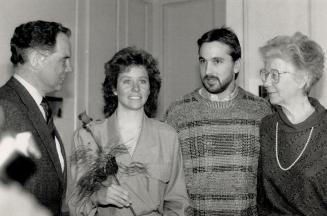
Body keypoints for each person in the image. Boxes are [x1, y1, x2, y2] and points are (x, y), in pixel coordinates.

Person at [69, 46, 190, 216]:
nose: (136, 88)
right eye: (127, 81)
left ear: (150, 88)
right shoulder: (88, 137)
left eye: (142, 81)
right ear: (114, 88)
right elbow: (75, 204)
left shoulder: (168, 137)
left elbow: (178, 204)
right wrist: (97, 197)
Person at [164, 27, 272, 215]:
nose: (208, 70)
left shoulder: (261, 111)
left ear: (236, 65)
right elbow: (166, 180)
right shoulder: (178, 112)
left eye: (217, 61)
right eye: (203, 61)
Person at [0, 20, 72, 215]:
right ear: (37, 59)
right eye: (64, 60)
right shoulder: (6, 108)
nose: (69, 68)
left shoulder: (38, 106)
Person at [257, 32, 327, 215]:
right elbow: (262, 200)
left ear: (303, 78)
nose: (265, 82)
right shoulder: (267, 127)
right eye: (265, 74)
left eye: (275, 74)